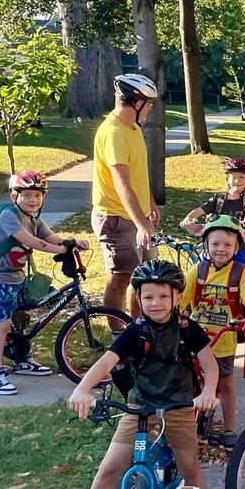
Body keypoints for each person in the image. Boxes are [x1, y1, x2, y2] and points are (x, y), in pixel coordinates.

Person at [53, 259, 222, 489]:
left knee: (190, 468)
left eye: (162, 296)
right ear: (138, 299)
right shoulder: (135, 331)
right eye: (148, 297)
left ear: (177, 297)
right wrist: (82, 389)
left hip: (179, 406)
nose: (155, 303)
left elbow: (209, 362)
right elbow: (107, 362)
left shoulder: (187, 329)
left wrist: (208, 391)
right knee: (110, 466)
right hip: (140, 407)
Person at [0, 171, 89, 396]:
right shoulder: (8, 216)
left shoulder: (34, 219)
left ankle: (21, 359)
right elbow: (33, 242)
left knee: (20, 317)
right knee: (2, 324)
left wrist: (72, 242)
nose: (33, 200)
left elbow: (50, 237)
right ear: (13, 196)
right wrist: (59, 250)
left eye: (38, 196)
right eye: (27, 195)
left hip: (15, 276)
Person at [179, 216, 245, 448]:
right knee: (185, 378)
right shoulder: (197, 271)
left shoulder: (240, 274)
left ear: (236, 248)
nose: (221, 249)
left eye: (227, 244)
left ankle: (229, 427)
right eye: (215, 244)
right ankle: (185, 421)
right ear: (206, 246)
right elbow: (180, 300)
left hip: (223, 339)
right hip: (196, 338)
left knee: (225, 382)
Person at [92, 73, 161, 315]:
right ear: (136, 101)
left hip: (136, 215)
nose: (150, 108)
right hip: (117, 218)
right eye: (148, 103)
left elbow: (138, 173)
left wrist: (150, 201)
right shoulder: (113, 134)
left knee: (142, 278)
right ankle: (117, 335)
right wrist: (142, 225)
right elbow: (122, 185)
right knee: (121, 280)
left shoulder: (132, 128)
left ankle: (138, 330)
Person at [181, 157, 245, 261]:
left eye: (241, 177)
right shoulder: (218, 199)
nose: (237, 181)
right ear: (227, 179)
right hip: (216, 246)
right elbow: (199, 211)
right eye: (234, 177)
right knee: (205, 269)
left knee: (238, 272)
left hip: (237, 247)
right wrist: (189, 218)